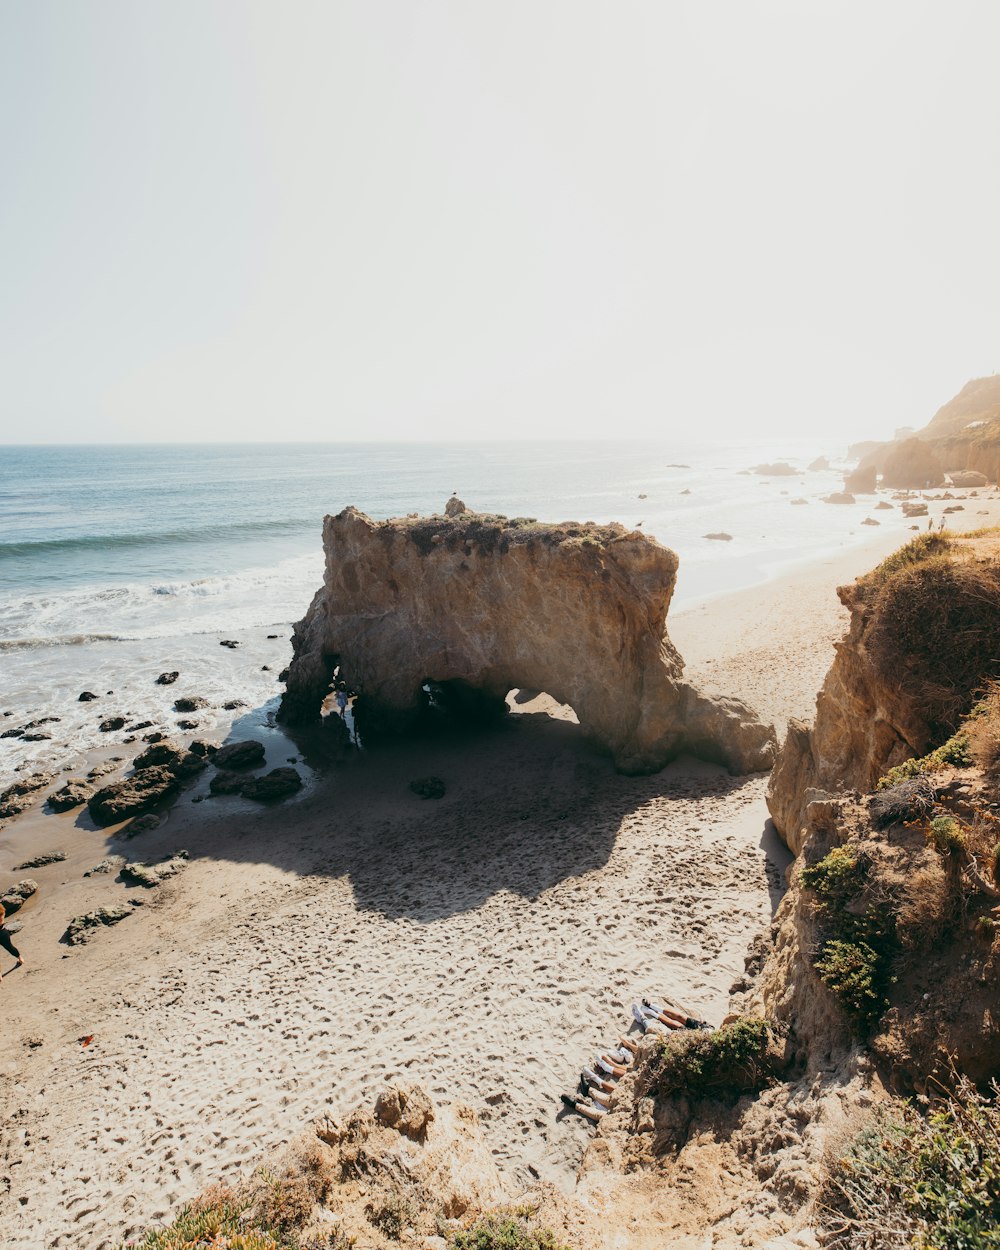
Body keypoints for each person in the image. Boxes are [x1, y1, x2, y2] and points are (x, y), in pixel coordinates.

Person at [0, 903, 24, 982]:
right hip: (3, 933)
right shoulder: (2, 911)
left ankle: (0, 975)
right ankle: (20, 959)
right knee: (10, 947)